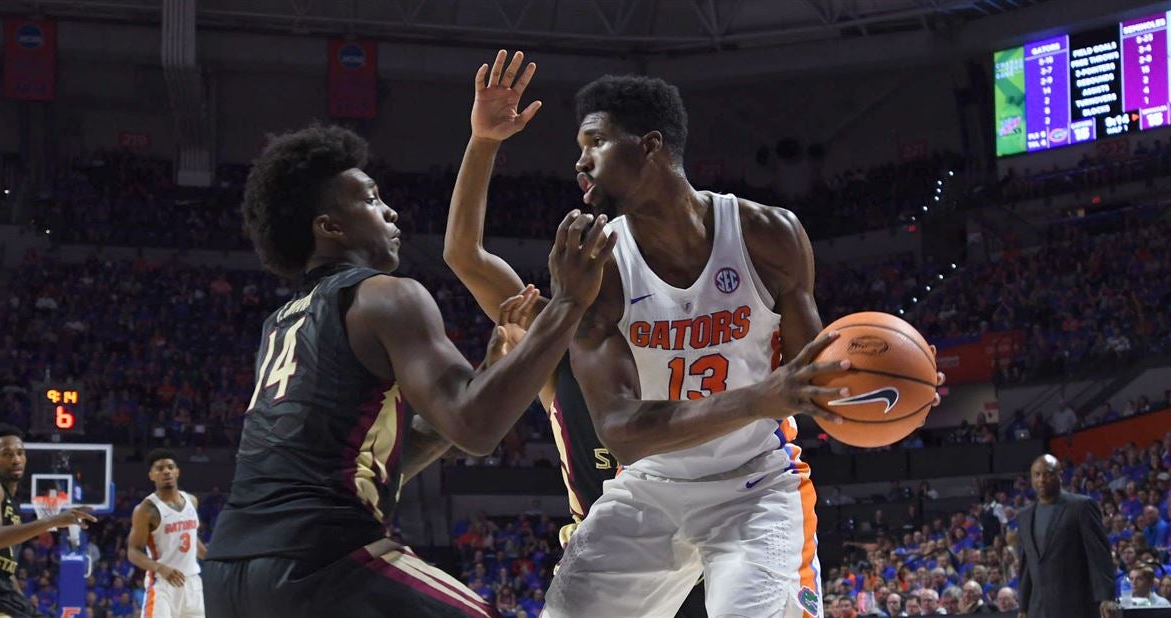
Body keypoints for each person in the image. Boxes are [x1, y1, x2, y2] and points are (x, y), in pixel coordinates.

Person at [544, 74, 944, 618]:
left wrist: (893, 390)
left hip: (754, 485)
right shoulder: (598, 270)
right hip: (649, 486)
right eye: (580, 148)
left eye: (596, 142)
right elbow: (621, 433)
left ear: (650, 146)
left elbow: (818, 384)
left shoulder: (767, 235)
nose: (581, 161)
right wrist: (760, 399)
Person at [201, 125, 612, 617]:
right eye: (371, 200)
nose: (390, 211)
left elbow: (386, 460)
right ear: (330, 227)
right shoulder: (386, 295)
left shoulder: (282, 322)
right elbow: (477, 428)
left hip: (229, 575)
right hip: (324, 561)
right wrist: (569, 301)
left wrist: (488, 369)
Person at [443, 50, 707, 618]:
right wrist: (484, 140)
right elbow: (464, 254)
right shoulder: (557, 329)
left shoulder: (701, 323)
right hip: (612, 566)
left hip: (707, 549)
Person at [0, 424, 97, 617]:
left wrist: (23, 603)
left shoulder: (13, 504)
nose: (16, 459)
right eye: (7, 454)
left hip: (3, 598)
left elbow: (4, 569)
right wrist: (53, 520)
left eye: (20, 453)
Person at [1016, 454, 1118, 618]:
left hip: (1076, 606)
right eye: (1037, 475)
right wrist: (1023, 607)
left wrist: (1107, 597)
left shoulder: (1081, 506)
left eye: (1048, 474)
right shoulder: (1024, 516)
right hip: (1038, 610)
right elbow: (1027, 565)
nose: (1042, 479)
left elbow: (1099, 554)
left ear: (1060, 476)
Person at [127, 449, 206, 618]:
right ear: (151, 475)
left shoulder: (192, 501)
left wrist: (212, 558)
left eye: (170, 467)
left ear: (177, 472)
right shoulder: (146, 509)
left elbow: (192, 539)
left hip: (192, 583)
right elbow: (133, 551)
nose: (166, 471)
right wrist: (160, 568)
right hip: (163, 584)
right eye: (160, 468)